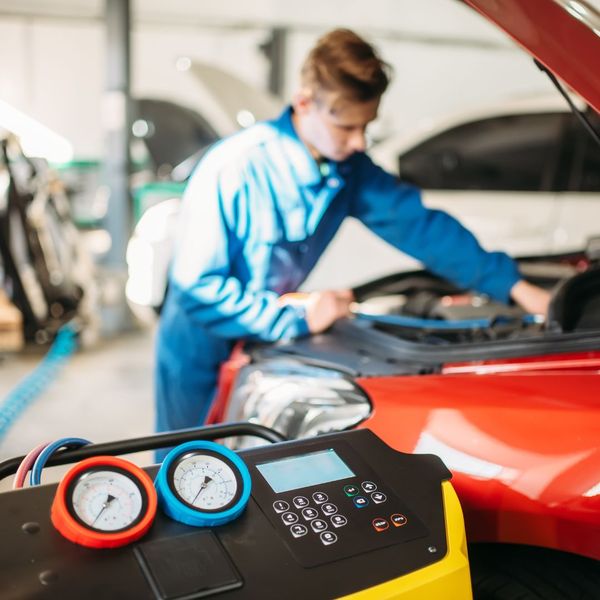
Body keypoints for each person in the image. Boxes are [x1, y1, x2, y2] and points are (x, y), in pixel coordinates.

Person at [155, 28, 550, 442]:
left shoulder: (349, 170)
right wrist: (297, 316)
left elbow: (422, 228)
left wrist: (515, 286)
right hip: (198, 350)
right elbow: (199, 290)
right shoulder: (234, 169)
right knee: (188, 468)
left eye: (367, 126)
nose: (359, 141)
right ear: (304, 103)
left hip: (264, 337)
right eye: (346, 127)